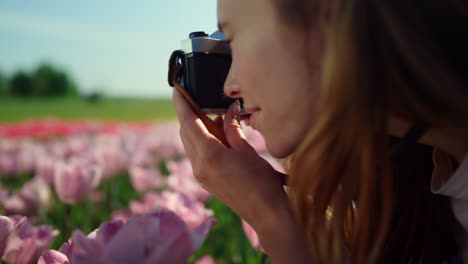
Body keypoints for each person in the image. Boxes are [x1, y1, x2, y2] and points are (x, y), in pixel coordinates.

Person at [172, 0, 468, 263]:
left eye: (232, 40)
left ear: (330, 16)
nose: (228, 88)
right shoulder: (423, 179)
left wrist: (270, 215)